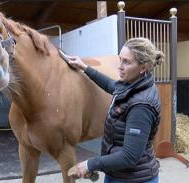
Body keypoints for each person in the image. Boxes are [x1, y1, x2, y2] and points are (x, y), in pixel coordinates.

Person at [68, 37, 164, 183]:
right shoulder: (132, 84)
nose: (120, 66)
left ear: (143, 67)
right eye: (120, 59)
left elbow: (129, 156)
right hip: (118, 174)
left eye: (126, 62)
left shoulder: (141, 106)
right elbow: (110, 85)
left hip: (135, 179)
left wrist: (90, 164)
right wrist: (84, 67)